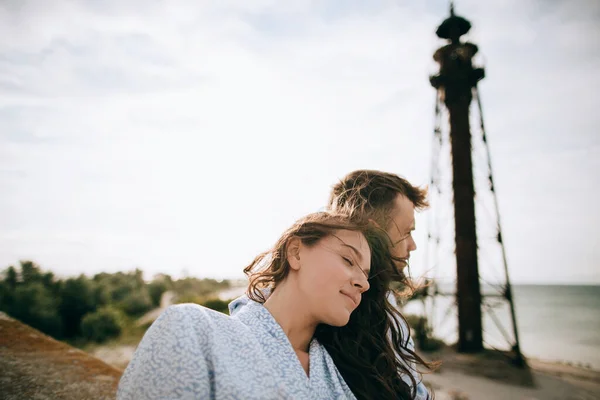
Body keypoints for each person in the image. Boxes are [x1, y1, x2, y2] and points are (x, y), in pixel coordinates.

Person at [117, 212, 415, 399]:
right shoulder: (193, 330)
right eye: (348, 260)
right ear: (296, 252)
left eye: (366, 276)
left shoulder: (343, 374)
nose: (363, 283)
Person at [231, 169, 434, 399]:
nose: (412, 245)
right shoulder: (245, 330)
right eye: (406, 232)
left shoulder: (383, 312)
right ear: (374, 227)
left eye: (364, 274)